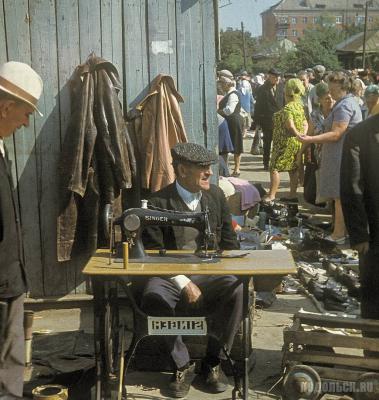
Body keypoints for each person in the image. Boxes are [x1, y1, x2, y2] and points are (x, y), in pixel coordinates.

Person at [141, 142, 242, 398]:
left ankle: (213, 362)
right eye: (203, 168)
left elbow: (230, 244)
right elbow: (153, 253)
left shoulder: (217, 196)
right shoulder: (158, 202)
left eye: (209, 167)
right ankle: (181, 365)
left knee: (237, 289)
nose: (209, 172)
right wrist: (183, 281)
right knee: (154, 295)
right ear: (183, 171)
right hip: (171, 274)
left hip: (210, 272)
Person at [0, 61, 43, 397]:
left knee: (11, 363)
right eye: (27, 113)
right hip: (1, 282)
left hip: (10, 279)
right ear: (6, 107)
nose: (27, 122)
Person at [298, 71, 362, 244]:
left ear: (341, 86)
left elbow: (336, 134)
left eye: (331, 86)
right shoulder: (345, 103)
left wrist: (310, 139)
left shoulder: (344, 105)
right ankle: (338, 230)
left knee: (339, 197)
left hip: (341, 157)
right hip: (339, 156)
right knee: (338, 197)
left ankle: (339, 234)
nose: (329, 90)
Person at [340, 113, 379, 348]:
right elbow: (351, 187)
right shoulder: (359, 134)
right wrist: (359, 234)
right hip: (374, 236)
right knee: (374, 299)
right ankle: (373, 357)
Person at [264, 78, 307, 202]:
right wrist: (302, 135)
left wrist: (297, 133)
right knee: (293, 168)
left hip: (283, 142)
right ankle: (292, 195)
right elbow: (305, 123)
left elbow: (290, 125)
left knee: (274, 168)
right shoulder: (299, 107)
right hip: (296, 142)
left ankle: (271, 195)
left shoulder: (288, 108)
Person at [297, 82, 335, 205]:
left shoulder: (338, 112)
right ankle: (327, 204)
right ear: (320, 100)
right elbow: (310, 134)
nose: (331, 101)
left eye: (332, 98)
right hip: (319, 155)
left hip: (334, 153)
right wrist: (301, 152)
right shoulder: (315, 114)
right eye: (327, 98)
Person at [254, 68, 282, 170]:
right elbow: (258, 106)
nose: (277, 79)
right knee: (267, 142)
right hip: (267, 120)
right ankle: (266, 162)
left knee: (278, 143)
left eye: (278, 77)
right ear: (269, 77)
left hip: (280, 120)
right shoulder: (263, 89)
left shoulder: (281, 88)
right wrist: (257, 122)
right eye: (274, 77)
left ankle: (277, 162)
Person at [218, 72, 244, 177]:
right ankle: (229, 166)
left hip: (233, 121)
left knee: (236, 143)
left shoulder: (233, 94)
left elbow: (229, 110)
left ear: (227, 84)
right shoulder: (228, 94)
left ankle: (237, 168)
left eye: (222, 84)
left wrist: (219, 111)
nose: (221, 86)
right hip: (229, 121)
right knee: (230, 143)